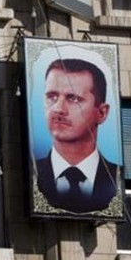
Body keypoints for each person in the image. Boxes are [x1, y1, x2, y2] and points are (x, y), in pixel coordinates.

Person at [35, 58, 118, 213]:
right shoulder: (31, 174)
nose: (58, 109)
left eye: (73, 98)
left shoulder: (118, 177)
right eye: (52, 96)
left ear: (101, 113)